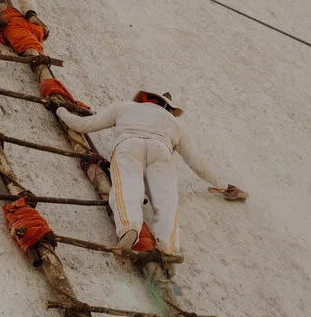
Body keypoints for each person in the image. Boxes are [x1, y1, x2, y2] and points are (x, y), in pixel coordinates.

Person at [52, 89, 248, 255]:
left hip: (128, 146)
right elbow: (196, 162)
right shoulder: (173, 122)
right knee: (166, 201)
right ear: (166, 107)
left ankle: (130, 228)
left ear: (144, 98)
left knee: (127, 188)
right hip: (161, 150)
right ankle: (167, 247)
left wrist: (60, 110)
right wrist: (223, 185)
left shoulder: (125, 107)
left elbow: (83, 125)